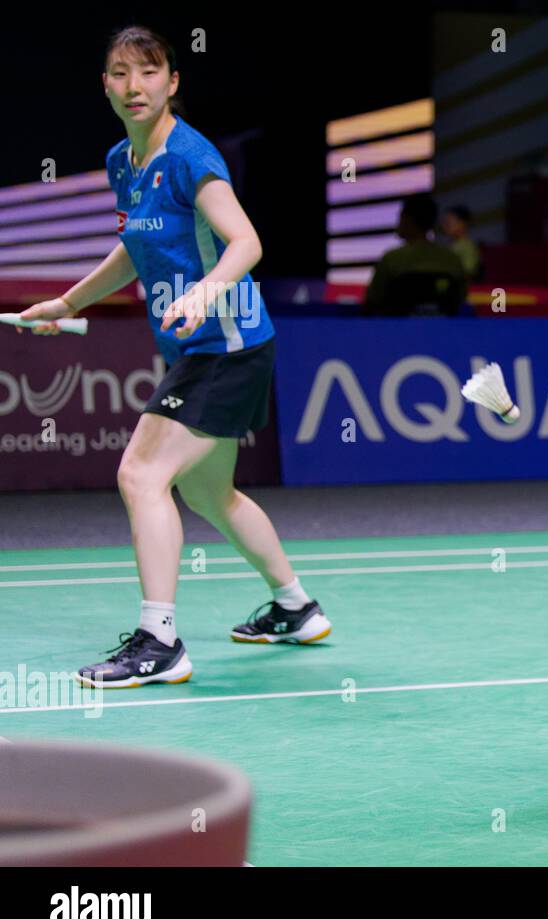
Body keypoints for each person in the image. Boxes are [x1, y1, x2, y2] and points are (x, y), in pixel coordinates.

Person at [16, 26, 331, 689]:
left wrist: (205, 291)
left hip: (229, 343)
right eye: (120, 74)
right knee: (209, 492)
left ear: (173, 82)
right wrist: (69, 303)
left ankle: (160, 642)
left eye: (149, 73)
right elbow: (135, 248)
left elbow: (246, 241)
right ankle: (296, 607)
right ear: (105, 84)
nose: (135, 87)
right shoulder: (121, 163)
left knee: (140, 474)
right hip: (198, 346)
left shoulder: (192, 157)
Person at [364, 194, 467, 316]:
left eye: (400, 217)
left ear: (407, 220)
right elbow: (460, 298)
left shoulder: (392, 259)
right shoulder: (452, 259)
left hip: (397, 332)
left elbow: (371, 303)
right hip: (441, 332)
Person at [440, 205, 483, 282]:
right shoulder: (450, 245)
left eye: (449, 222)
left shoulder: (468, 246)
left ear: (462, 223)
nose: (444, 225)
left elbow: (469, 272)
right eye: (444, 222)